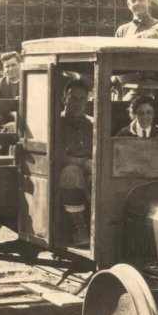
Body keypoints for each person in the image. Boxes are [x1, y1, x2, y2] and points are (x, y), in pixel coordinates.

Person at [59, 79, 93, 247]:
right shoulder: (56, 123)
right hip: (61, 173)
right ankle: (78, 228)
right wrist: (82, 163)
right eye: (73, 98)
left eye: (83, 99)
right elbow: (55, 155)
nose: (78, 103)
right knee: (72, 172)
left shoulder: (92, 124)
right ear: (64, 99)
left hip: (90, 168)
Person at [0, 51, 21, 135]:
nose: (10, 69)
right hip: (5, 118)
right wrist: (12, 113)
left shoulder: (28, 81)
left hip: (24, 117)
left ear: (20, 65)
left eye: (13, 65)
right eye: (7, 66)